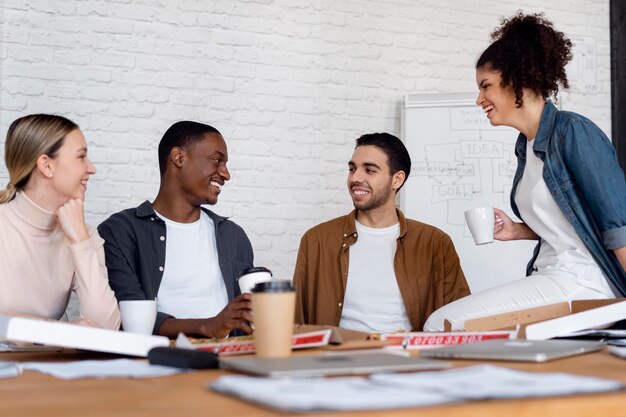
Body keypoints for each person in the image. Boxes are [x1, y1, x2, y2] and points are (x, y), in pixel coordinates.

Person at [425, 12, 626, 331]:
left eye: (485, 86)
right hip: (554, 275)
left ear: (517, 80)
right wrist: (518, 230)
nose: (479, 99)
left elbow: (618, 225)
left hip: (587, 283)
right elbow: (571, 224)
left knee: (441, 323)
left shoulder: (572, 131)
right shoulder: (526, 147)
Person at [293, 132, 470, 333]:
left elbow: (459, 317)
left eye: (370, 170)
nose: (356, 178)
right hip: (339, 359)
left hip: (409, 359)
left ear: (397, 179)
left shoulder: (434, 243)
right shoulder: (317, 240)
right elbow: (296, 320)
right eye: (352, 169)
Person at [98, 121, 254, 338]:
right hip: (154, 364)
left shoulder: (233, 236)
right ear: (179, 158)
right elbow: (127, 317)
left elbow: (244, 323)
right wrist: (209, 326)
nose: (226, 174)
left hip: (226, 365)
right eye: (217, 161)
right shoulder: (120, 232)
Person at [0, 114, 121, 329]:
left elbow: (106, 328)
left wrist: (80, 241)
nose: (91, 168)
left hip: (43, 362)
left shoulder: (84, 236)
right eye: (81, 157)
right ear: (47, 166)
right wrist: (55, 330)